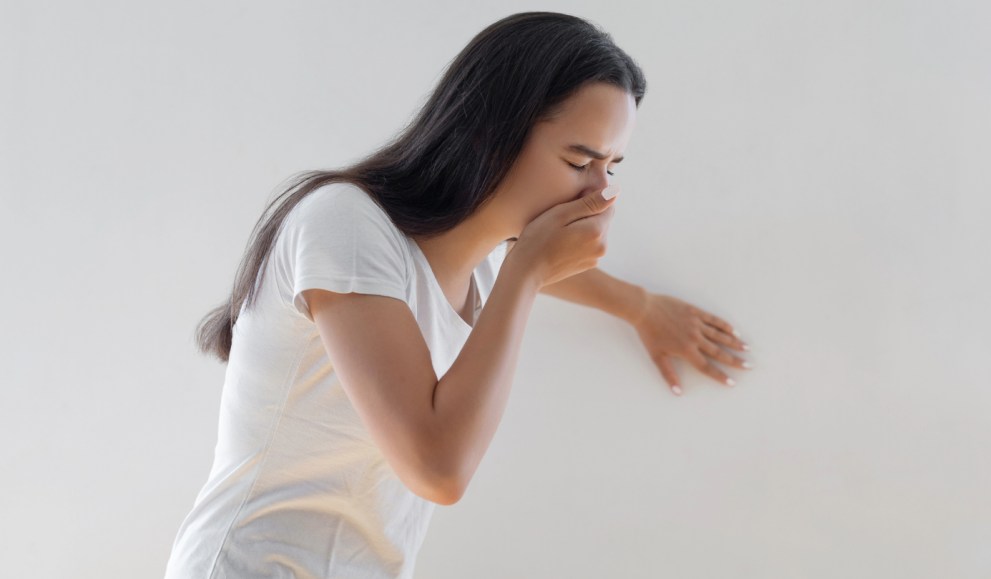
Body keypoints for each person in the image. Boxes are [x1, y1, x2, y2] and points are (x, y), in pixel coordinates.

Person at [164, 11, 751, 579]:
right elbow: (438, 469)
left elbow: (557, 272)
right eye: (580, 161)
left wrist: (640, 307)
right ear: (490, 137)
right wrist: (524, 272)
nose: (600, 192)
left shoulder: (478, 266)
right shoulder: (345, 224)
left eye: (612, 168)